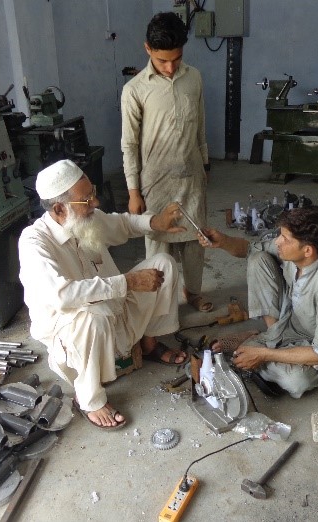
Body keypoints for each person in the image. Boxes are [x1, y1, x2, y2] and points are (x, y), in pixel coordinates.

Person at [18, 160, 189, 430]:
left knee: (163, 265)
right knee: (92, 315)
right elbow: (63, 296)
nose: (95, 202)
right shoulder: (34, 243)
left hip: (113, 314)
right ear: (60, 209)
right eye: (85, 199)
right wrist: (128, 281)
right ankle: (89, 399)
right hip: (75, 333)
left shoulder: (84, 217)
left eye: (92, 193)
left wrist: (155, 222)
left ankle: (149, 345)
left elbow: (121, 224)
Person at [199, 206, 318, 398]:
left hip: (311, 341)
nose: (278, 242)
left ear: (307, 250)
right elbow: (249, 249)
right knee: (258, 259)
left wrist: (264, 354)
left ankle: (258, 346)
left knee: (296, 382)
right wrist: (222, 241)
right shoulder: (295, 251)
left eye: (285, 239)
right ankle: (267, 337)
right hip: (287, 318)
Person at [121, 11, 212, 313]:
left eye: (176, 58)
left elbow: (199, 126)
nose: (171, 67)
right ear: (148, 48)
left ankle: (194, 292)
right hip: (156, 182)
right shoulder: (134, 90)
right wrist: (134, 191)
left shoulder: (194, 78)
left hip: (191, 176)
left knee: (195, 242)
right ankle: (160, 299)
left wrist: (206, 164)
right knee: (158, 244)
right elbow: (129, 144)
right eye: (162, 61)